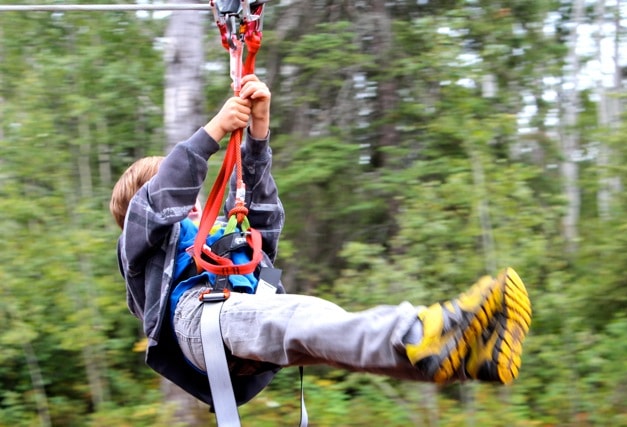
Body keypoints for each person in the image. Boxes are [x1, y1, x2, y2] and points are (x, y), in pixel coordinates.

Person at [110, 74, 532, 411]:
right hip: (199, 321)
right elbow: (163, 197)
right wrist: (216, 129)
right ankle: (427, 330)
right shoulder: (142, 248)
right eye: (184, 197)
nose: (193, 205)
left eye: (196, 200)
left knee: (323, 326)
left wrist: (257, 133)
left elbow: (264, 224)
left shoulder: (216, 236)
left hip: (242, 325)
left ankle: (467, 355)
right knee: (303, 316)